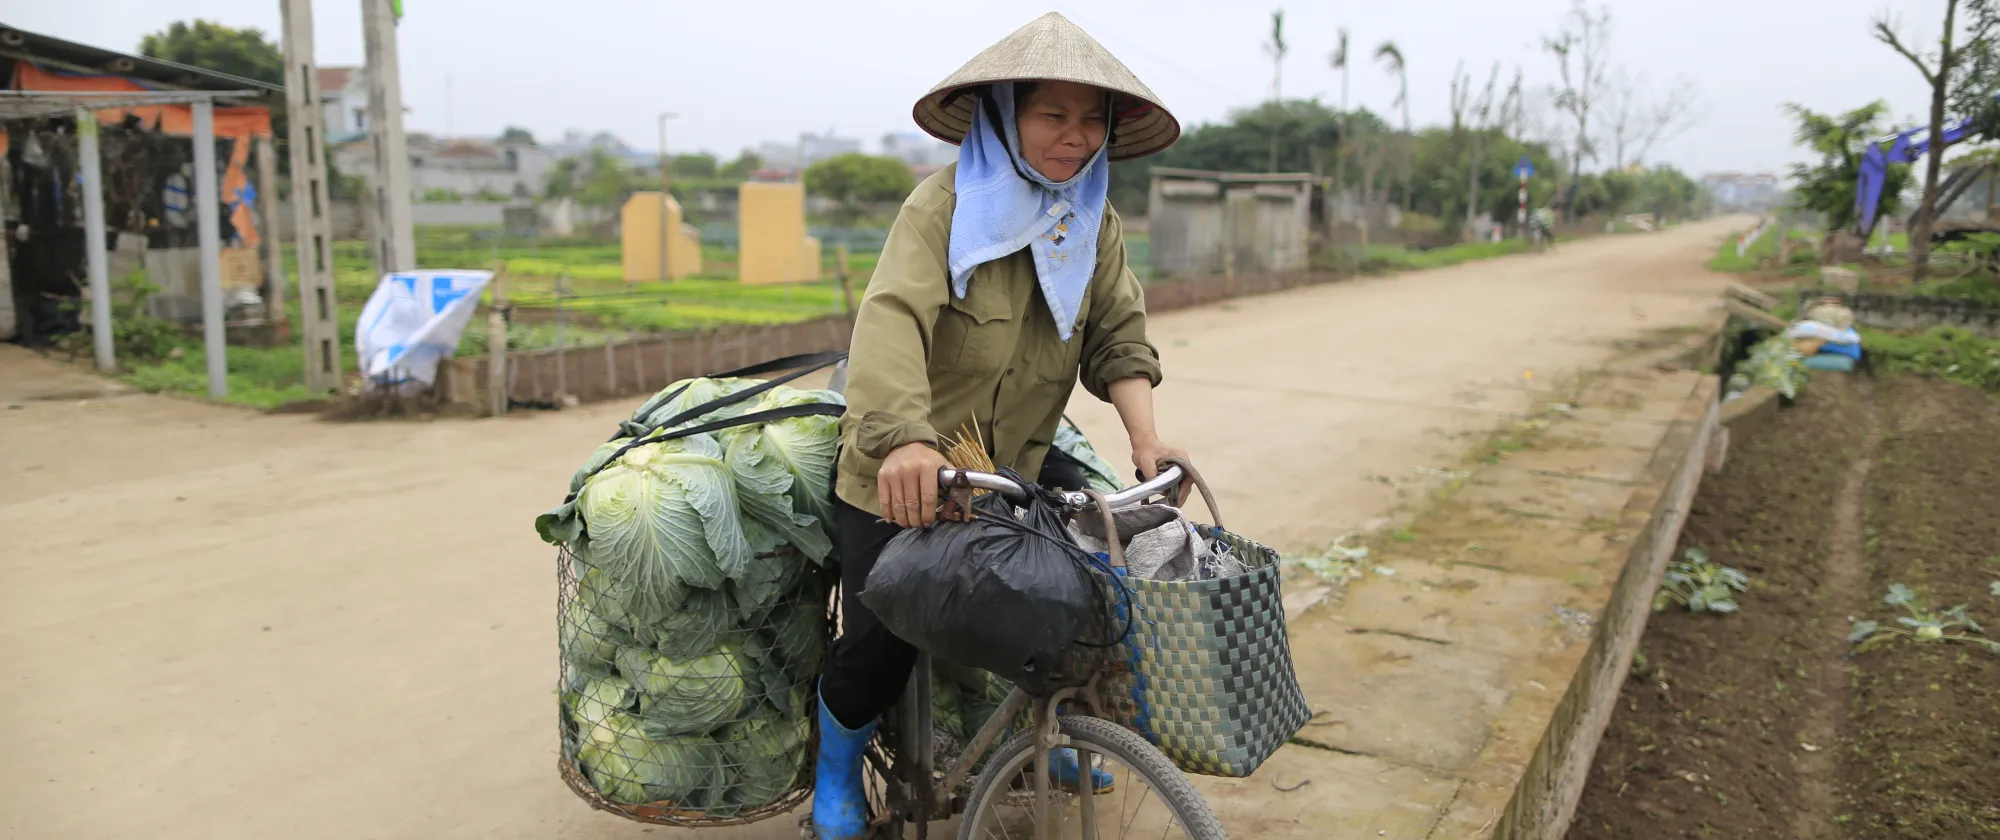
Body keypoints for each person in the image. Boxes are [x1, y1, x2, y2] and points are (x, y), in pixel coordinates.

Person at [810, 13, 1188, 839]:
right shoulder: (942, 207)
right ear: (1006, 115)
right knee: (886, 635)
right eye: (1054, 115)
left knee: (1092, 566)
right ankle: (834, 774)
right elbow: (891, 325)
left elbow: (1120, 337)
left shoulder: (1095, 221)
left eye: (1093, 119)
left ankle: (1042, 731)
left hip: (1009, 453)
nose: (1076, 137)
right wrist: (905, 441)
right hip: (902, 456)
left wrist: (1146, 439)